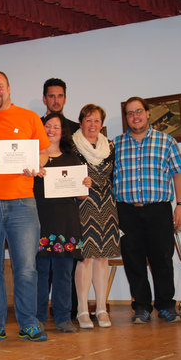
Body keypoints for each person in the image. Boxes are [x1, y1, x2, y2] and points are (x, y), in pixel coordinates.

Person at [0, 70, 50, 343]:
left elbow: (43, 152)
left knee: (26, 268)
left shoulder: (29, 117)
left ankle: (29, 323)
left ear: (9, 88)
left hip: (23, 203)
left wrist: (39, 164)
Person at [114, 96, 181, 324]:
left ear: (147, 113)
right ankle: (142, 307)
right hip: (126, 212)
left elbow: (179, 173)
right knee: (133, 260)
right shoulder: (115, 145)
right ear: (126, 118)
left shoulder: (166, 142)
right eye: (129, 113)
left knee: (162, 259)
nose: (134, 116)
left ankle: (166, 305)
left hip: (158, 210)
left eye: (138, 111)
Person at [34, 113, 88, 333]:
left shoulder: (72, 158)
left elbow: (81, 196)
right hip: (38, 220)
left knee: (64, 273)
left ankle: (63, 318)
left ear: (63, 132)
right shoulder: (31, 158)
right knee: (39, 272)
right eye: (47, 126)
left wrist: (85, 184)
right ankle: (37, 317)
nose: (51, 130)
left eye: (56, 127)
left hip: (66, 221)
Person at [72, 104, 121, 328]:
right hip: (82, 206)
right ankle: (82, 310)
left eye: (97, 121)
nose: (92, 125)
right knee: (86, 257)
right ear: (81, 122)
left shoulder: (110, 146)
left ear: (102, 124)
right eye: (88, 120)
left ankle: (101, 308)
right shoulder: (71, 146)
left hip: (107, 205)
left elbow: (115, 176)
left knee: (103, 258)